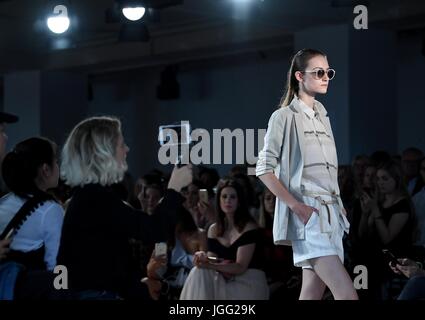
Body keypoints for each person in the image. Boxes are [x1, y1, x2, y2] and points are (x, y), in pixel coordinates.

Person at [256, 48, 357, 300]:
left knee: (312, 292)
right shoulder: (283, 117)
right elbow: (264, 169)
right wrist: (296, 207)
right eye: (319, 72)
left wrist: (339, 204)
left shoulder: (322, 115)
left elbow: (327, 168)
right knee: (346, 294)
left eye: (328, 72)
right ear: (300, 76)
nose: (325, 77)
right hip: (309, 215)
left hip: (331, 214)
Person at [57, 116, 193, 300]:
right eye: (122, 145)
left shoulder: (87, 197)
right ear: (103, 153)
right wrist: (174, 188)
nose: (127, 149)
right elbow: (153, 230)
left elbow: (105, 260)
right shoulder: (96, 198)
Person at [180, 179, 269, 300]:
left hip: (249, 281)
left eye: (233, 197)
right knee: (198, 271)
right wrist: (203, 257)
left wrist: (210, 265)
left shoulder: (249, 227)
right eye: (224, 196)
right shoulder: (214, 229)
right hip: (225, 280)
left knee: (202, 272)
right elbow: (213, 259)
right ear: (219, 200)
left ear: (239, 201)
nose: (228, 200)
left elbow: (240, 267)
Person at [0, 137, 63, 271]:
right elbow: (57, 265)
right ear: (46, 169)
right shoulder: (50, 210)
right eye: (56, 162)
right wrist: (63, 290)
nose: (58, 167)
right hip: (32, 290)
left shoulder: (4, 202)